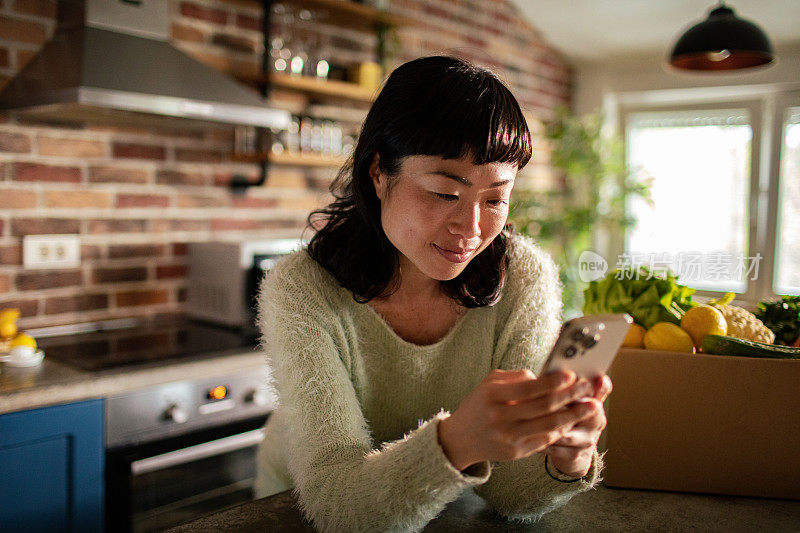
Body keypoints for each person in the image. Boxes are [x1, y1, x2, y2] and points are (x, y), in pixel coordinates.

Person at [255, 55, 611, 532]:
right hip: (291, 511)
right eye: (445, 193)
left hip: (442, 512)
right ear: (379, 173)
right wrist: (460, 440)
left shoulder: (523, 276)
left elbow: (510, 493)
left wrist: (566, 457)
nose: (471, 228)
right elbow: (340, 507)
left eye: (495, 200)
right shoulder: (303, 289)